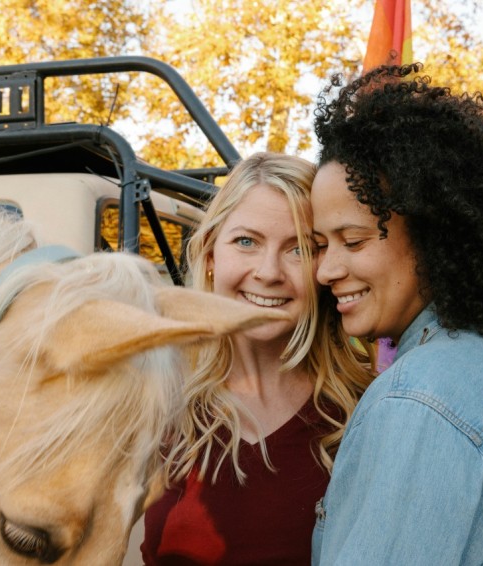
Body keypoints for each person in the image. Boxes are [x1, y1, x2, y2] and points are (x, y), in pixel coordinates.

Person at [309, 64, 483, 564]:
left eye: (352, 240)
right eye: (318, 245)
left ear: (433, 234)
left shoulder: (418, 399)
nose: (326, 269)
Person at [141, 152, 374, 565]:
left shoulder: (365, 409)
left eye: (299, 248)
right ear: (212, 254)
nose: (268, 272)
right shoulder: (156, 400)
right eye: (246, 241)